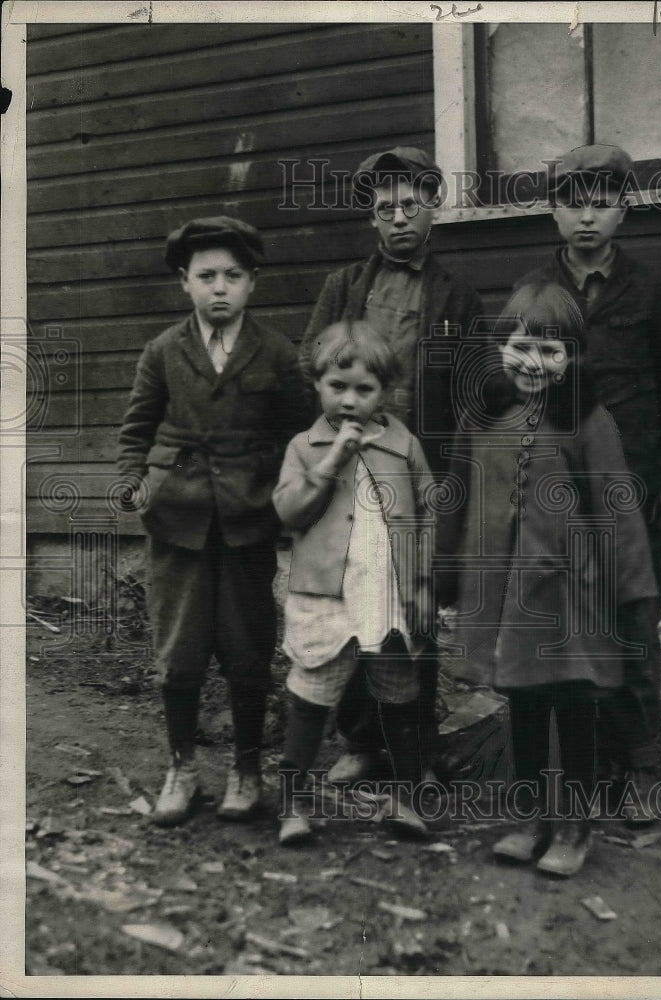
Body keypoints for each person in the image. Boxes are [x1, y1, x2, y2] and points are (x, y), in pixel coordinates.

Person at [440, 281, 660, 876]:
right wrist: (443, 571)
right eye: (521, 346)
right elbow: (458, 496)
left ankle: (576, 824)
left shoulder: (589, 420)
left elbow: (617, 506)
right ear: (499, 347)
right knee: (526, 706)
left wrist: (633, 589)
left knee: (575, 706)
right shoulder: (483, 416)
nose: (533, 363)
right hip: (508, 597)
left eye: (551, 350)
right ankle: (534, 816)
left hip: (571, 594)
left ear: (572, 358)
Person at [515, 143, 661, 817]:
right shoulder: (536, 288)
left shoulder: (650, 291)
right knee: (567, 623)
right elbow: (515, 378)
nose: (585, 217)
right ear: (554, 211)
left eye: (601, 202)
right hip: (559, 485)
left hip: (633, 482)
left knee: (632, 623)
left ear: (622, 209)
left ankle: (640, 766)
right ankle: (579, 762)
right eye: (571, 203)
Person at [299, 146, 485, 784]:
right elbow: (312, 361)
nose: (399, 218)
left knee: (413, 606)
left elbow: (471, 392)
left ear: (433, 207)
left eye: (411, 205)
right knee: (353, 600)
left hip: (417, 471)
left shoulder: (456, 296)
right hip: (351, 466)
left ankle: (417, 746)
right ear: (372, 219)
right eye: (386, 209)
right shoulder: (344, 287)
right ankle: (361, 741)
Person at [117, 216, 310, 826]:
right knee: (179, 652)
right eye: (206, 277)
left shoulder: (277, 352)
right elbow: (136, 429)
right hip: (178, 522)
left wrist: (284, 492)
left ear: (252, 282)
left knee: (248, 650)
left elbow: (301, 431)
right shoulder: (163, 351)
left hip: (249, 524)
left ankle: (247, 770)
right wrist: (133, 483)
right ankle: (182, 768)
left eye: (232, 276)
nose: (219, 288)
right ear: (185, 283)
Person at [273, 320, 435, 845]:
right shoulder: (305, 445)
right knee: (313, 689)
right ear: (318, 385)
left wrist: (424, 579)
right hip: (327, 593)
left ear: (385, 392)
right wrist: (332, 460)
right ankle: (293, 801)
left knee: (398, 692)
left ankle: (406, 796)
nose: (349, 400)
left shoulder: (402, 443)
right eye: (336, 387)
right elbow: (289, 512)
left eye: (364, 390)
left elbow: (429, 509)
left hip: (387, 592)